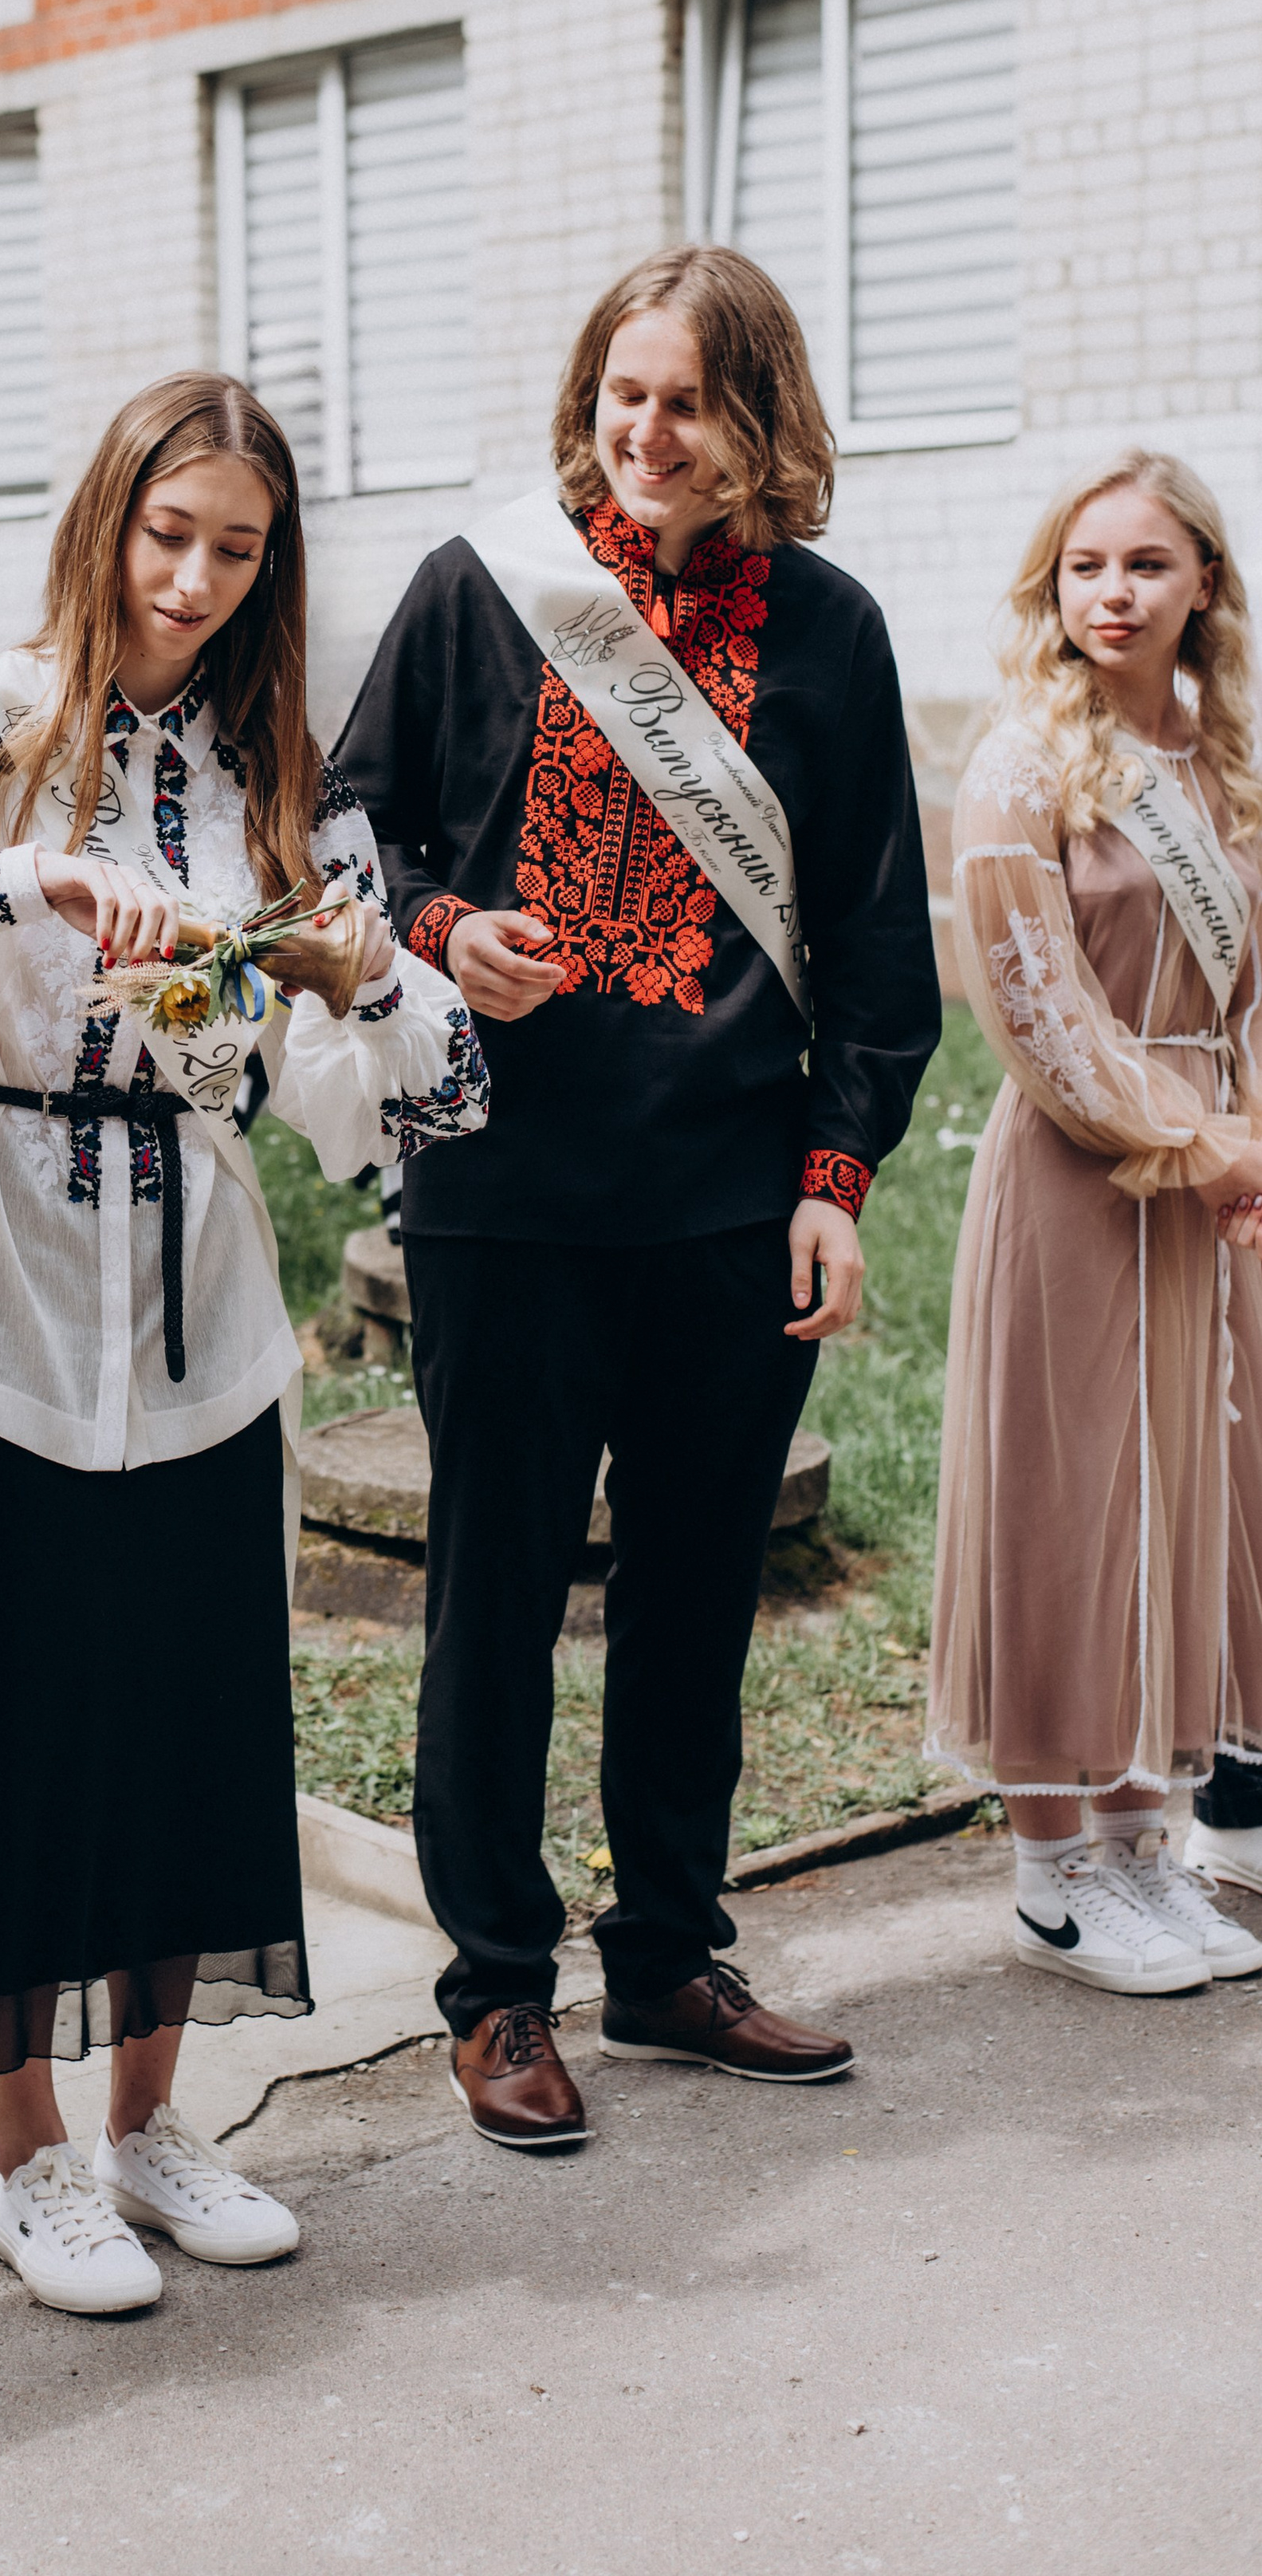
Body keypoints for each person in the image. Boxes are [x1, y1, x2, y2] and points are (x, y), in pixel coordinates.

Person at [0, 370, 487, 2315]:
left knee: (187, 1711)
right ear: (106, 520)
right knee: (19, 1717)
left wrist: (377, 968)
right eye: (168, 534)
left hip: (202, 1298)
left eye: (236, 550)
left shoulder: (274, 773)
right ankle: (27, 2152)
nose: (195, 579)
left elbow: (395, 1099)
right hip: (5, 1272)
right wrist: (22, 879)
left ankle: (156, 2121)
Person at [334, 245, 939, 2145]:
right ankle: (496, 1992)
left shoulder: (828, 632)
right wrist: (440, 926)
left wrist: (833, 1178)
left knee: (688, 1599)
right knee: (495, 1601)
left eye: (684, 399)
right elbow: (345, 822)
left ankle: (668, 1952)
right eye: (619, 394)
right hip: (502, 1197)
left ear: (753, 415)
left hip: (723, 1206)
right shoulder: (480, 592)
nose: (645, 432)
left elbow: (872, 941)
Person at [928, 449, 1262, 1991]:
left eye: (1144, 566)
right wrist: (1192, 1142)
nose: (1111, 596)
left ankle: (1145, 1847)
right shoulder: (1023, 762)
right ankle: (1053, 1873)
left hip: (1215, 1174)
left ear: (1204, 583)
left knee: (1177, 1506)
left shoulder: (1227, 759)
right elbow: (1034, 1004)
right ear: (1050, 589)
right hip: (1085, 1170)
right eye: (1084, 568)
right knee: (1068, 1504)